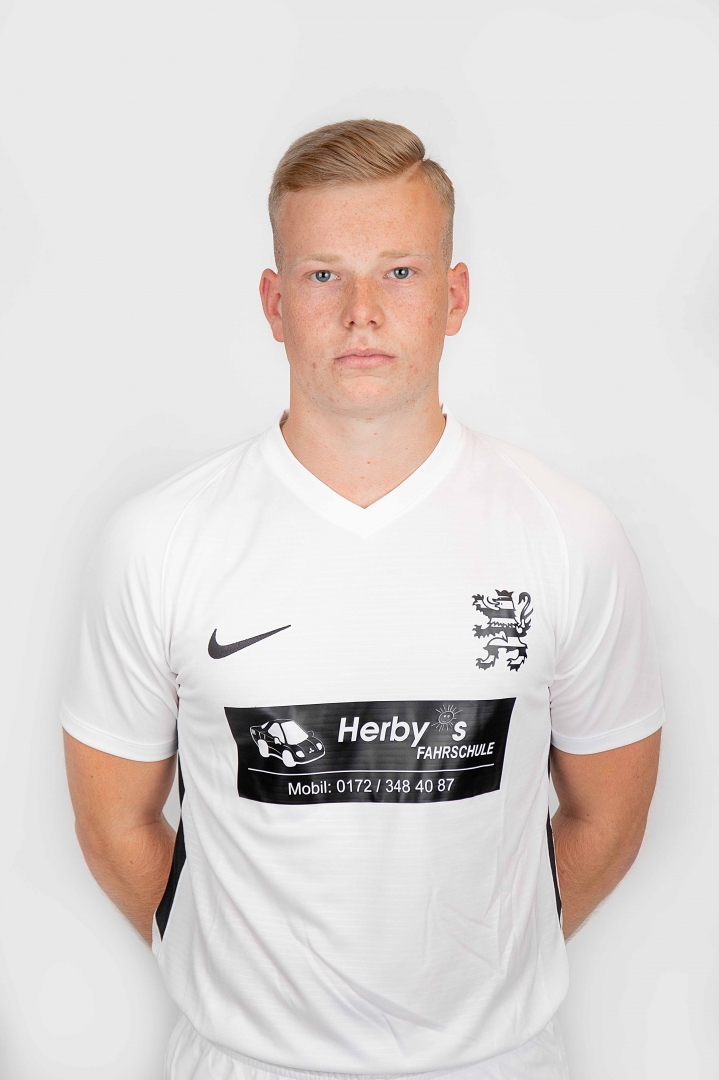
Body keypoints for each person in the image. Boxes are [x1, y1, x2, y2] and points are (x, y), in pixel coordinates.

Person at [62, 119, 663, 1080]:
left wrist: (478, 990)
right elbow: (113, 824)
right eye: (321, 275)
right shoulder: (159, 541)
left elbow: (609, 820)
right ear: (274, 304)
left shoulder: (567, 533)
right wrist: (238, 990)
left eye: (399, 272)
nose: (360, 312)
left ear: (453, 296)